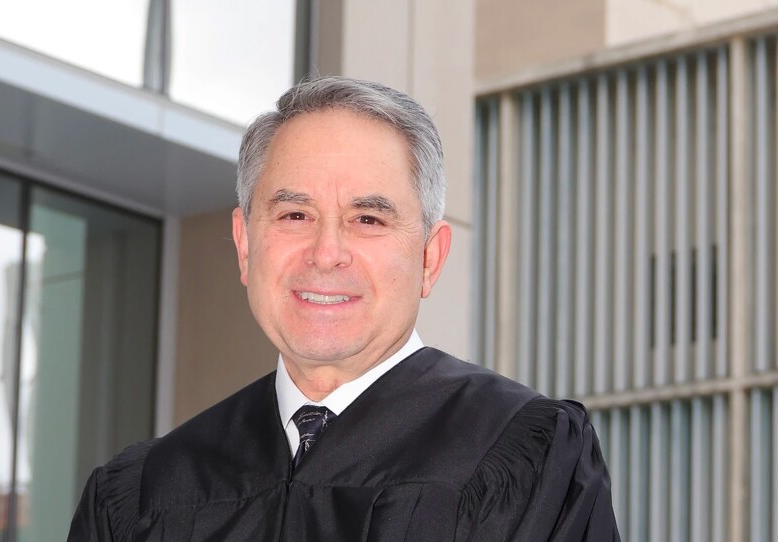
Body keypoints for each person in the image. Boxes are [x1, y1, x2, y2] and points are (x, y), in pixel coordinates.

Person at [68, 76, 619, 541]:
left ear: (430, 257)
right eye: (294, 216)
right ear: (243, 244)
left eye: (368, 219)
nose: (326, 255)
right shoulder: (142, 496)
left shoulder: (522, 457)